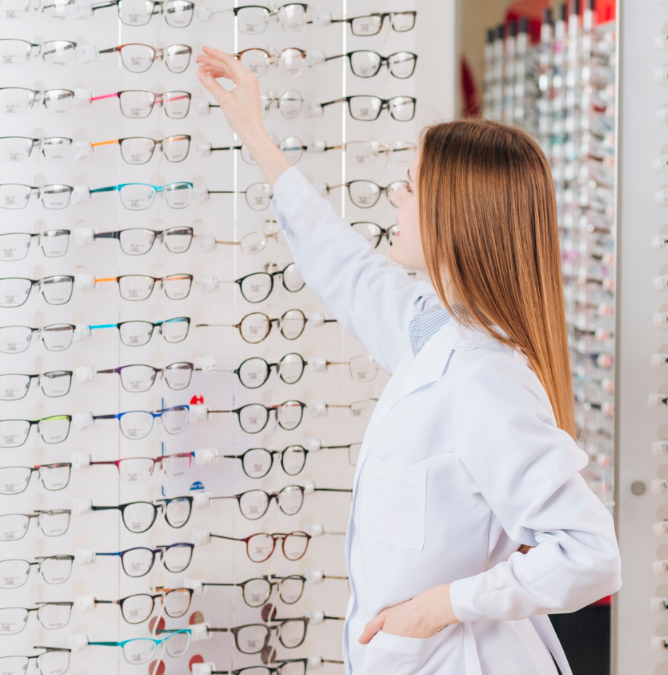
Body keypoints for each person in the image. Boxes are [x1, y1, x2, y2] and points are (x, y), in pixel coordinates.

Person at [196, 47, 621, 675]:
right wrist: (255, 133)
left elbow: (589, 554)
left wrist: (442, 607)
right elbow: (346, 267)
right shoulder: (435, 332)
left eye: (409, 186)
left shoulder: (484, 377)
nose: (395, 199)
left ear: (451, 216)